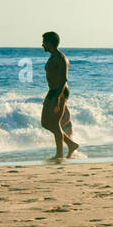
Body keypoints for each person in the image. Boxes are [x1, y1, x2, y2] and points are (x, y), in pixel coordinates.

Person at [40, 31, 80, 161]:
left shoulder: (61, 58)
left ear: (50, 43)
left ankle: (59, 154)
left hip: (60, 92)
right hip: (52, 91)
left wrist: (57, 98)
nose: (42, 45)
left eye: (44, 42)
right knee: (45, 123)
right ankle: (71, 144)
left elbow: (64, 80)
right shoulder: (52, 57)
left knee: (55, 123)